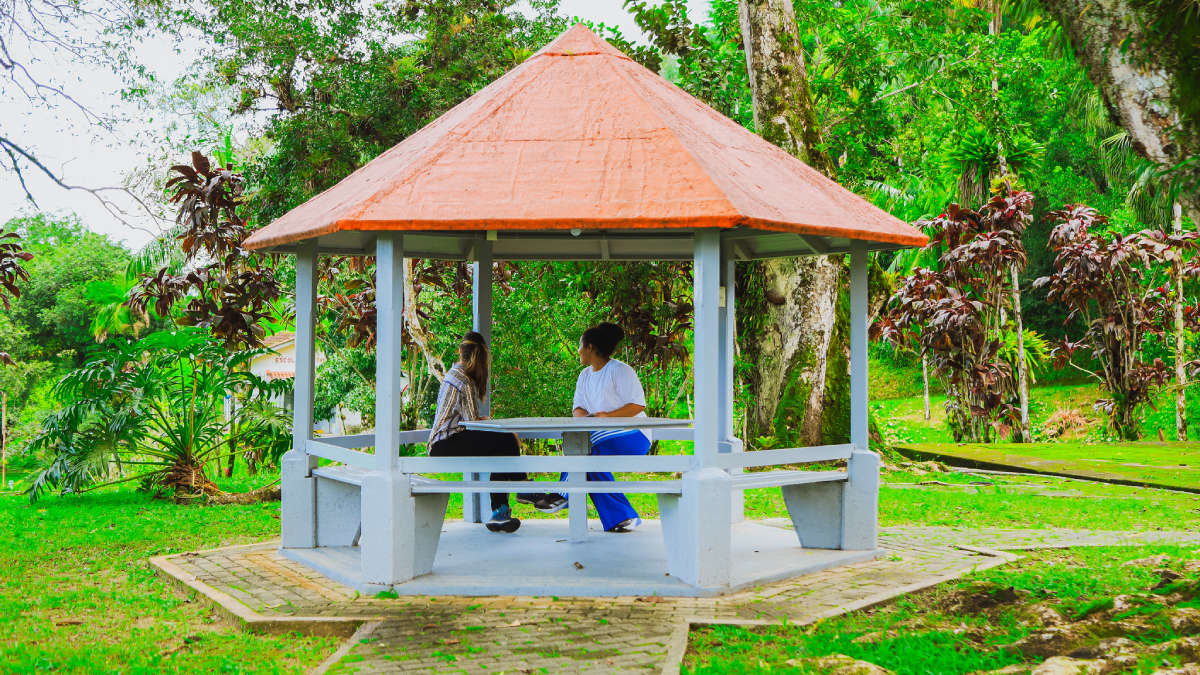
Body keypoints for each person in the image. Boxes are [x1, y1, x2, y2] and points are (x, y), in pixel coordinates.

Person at [524, 322, 649, 533]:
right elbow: (578, 410)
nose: (578, 350)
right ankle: (621, 516)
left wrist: (607, 417)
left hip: (634, 435)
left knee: (586, 445)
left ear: (590, 347)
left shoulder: (619, 370)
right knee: (587, 456)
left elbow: (637, 405)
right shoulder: (584, 376)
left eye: (580, 345)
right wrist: (591, 420)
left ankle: (562, 494)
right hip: (600, 435)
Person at [428, 332, 527, 533]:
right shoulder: (463, 378)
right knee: (506, 441)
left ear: (460, 351)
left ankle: (500, 511)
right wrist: (508, 434)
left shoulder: (458, 374)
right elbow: (472, 423)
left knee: (502, 447)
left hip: (445, 441)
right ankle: (524, 487)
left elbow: (471, 420)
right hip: (445, 443)